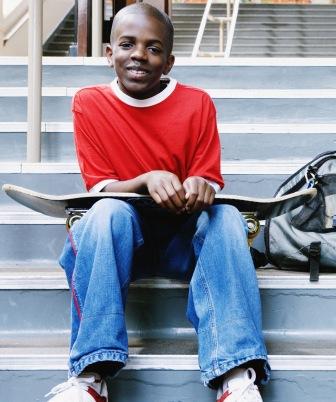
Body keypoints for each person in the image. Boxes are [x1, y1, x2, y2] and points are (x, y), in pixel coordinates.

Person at [45, 3, 270, 402]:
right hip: (119, 246)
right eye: (127, 44)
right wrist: (145, 181)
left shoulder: (197, 103)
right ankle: (90, 376)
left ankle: (235, 374)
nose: (139, 55)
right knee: (106, 211)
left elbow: (207, 177)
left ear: (168, 61)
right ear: (108, 53)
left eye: (153, 48)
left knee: (227, 217)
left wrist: (199, 186)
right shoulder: (90, 103)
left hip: (187, 246)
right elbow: (98, 186)